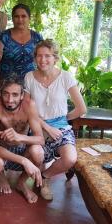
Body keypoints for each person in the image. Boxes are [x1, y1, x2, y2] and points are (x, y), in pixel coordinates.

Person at [24, 39, 87, 200]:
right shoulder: (29, 77)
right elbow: (26, 109)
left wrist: (62, 120)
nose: (43, 60)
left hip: (61, 127)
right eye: (39, 56)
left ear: (55, 58)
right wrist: (46, 126)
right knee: (36, 153)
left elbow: (81, 109)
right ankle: (36, 179)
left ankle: (44, 177)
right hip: (37, 126)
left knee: (70, 158)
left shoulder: (65, 77)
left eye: (47, 56)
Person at [0, 75, 45, 204]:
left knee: (38, 153)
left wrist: (20, 137)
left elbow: (41, 140)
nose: (10, 100)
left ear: (22, 95)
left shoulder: (29, 105)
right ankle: (0, 175)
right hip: (3, 150)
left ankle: (21, 183)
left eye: (15, 95)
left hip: (23, 148)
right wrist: (24, 161)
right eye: (6, 94)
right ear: (0, 93)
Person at [0, 4, 42, 84]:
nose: (20, 19)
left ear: (29, 18)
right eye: (16, 16)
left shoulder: (37, 37)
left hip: (30, 84)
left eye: (23, 16)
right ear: (13, 18)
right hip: (7, 87)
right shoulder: (3, 37)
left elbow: (42, 61)